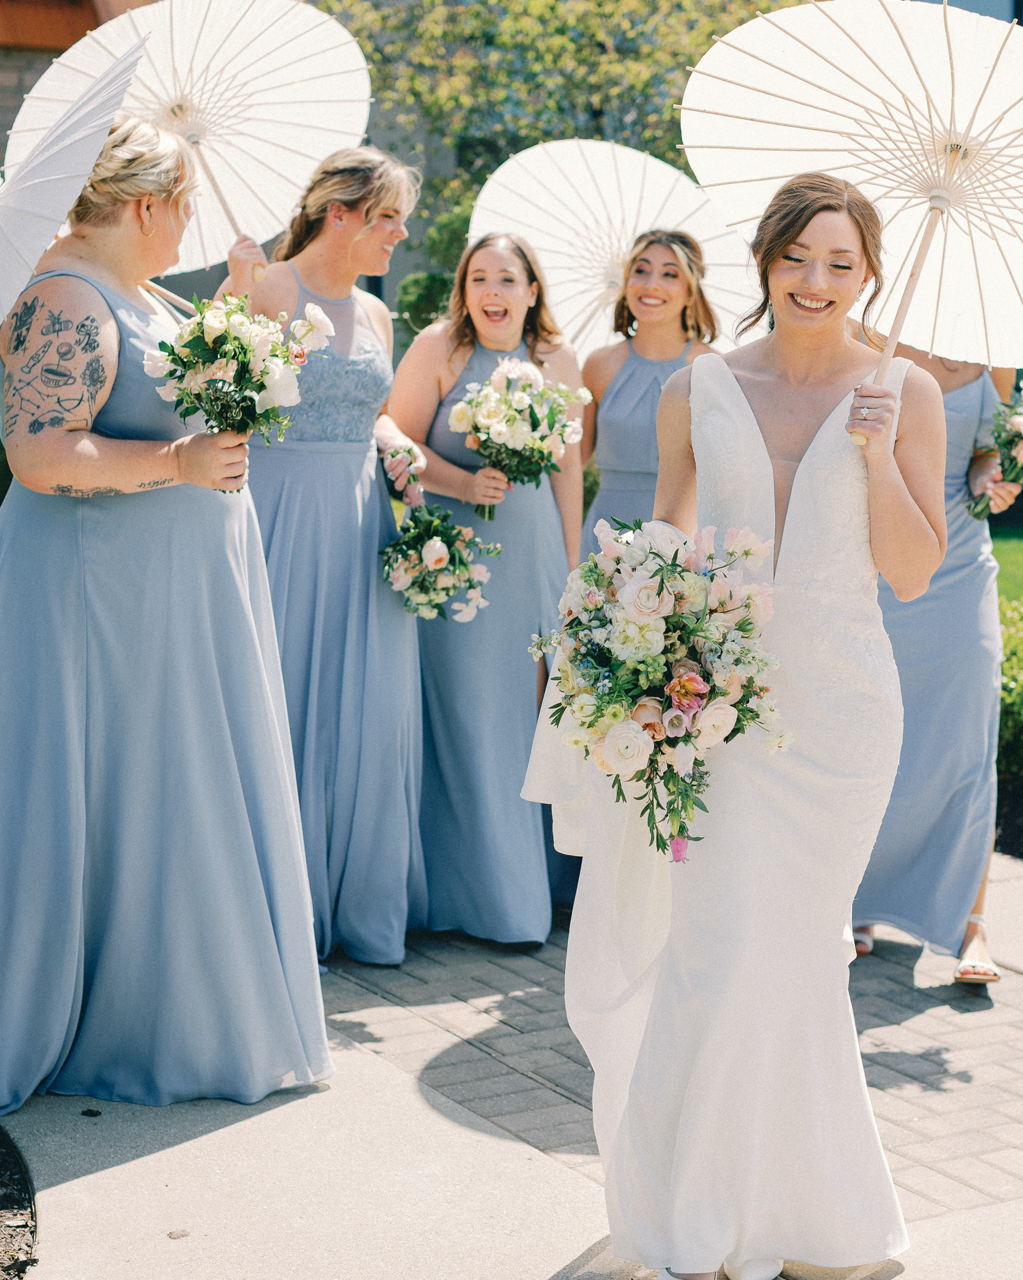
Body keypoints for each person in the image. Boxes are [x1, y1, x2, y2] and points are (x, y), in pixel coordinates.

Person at [530, 174, 947, 1280]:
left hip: (842, 715)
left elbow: (911, 570)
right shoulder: (700, 385)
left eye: (842, 264)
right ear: (762, 264)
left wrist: (871, 458)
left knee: (795, 960)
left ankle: (769, 1215)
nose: (817, 284)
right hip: (712, 706)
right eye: (797, 259)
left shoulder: (903, 392)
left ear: (868, 273)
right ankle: (687, 1227)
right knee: (714, 952)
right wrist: (622, 650)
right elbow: (665, 533)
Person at [0, 115, 331, 1113]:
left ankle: (172, 999)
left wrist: (239, 319)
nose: (189, 220)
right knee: (111, 784)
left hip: (165, 606)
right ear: (146, 205)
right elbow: (40, 452)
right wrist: (175, 466)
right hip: (98, 606)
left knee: (166, 784)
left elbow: (170, 385)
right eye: (184, 202)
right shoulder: (62, 294)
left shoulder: (136, 291)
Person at [224, 148, 428, 966]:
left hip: (359, 520)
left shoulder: (377, 315)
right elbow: (222, 392)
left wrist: (398, 442)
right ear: (338, 212)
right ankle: (278, 906)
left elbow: (369, 413)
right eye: (387, 217)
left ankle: (354, 904)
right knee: (288, 693)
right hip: (278, 513)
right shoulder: (271, 289)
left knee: (365, 709)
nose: (399, 233)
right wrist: (234, 298)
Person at [387, 233, 584, 946]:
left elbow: (569, 472)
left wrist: (571, 570)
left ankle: (543, 882)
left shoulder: (557, 360)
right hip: (463, 561)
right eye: (479, 278)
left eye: (508, 278)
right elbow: (393, 435)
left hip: (533, 558)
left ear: (534, 290)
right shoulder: (441, 349)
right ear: (463, 289)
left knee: (533, 716)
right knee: (475, 714)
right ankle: (483, 898)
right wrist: (462, 481)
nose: (493, 292)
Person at [852, 348, 1019, 985]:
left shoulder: (997, 360)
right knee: (871, 736)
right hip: (880, 563)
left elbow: (984, 451)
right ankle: (858, 900)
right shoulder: (873, 343)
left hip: (962, 568)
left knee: (968, 743)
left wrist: (990, 476)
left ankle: (972, 925)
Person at [580, 230, 717, 552]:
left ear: (689, 292)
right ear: (626, 283)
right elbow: (572, 465)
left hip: (685, 539)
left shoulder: (714, 369)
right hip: (605, 535)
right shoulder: (598, 366)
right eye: (640, 270)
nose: (651, 283)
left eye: (670, 274)